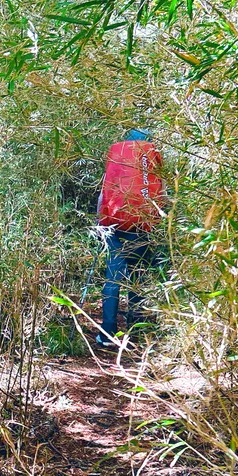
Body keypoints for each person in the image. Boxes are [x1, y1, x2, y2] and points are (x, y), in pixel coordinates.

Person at [95, 128, 165, 346]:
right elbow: (161, 194)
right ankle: (136, 332)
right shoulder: (151, 159)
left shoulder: (118, 158)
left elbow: (104, 193)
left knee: (112, 277)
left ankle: (107, 334)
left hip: (114, 226)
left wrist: (100, 223)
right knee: (138, 276)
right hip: (142, 227)